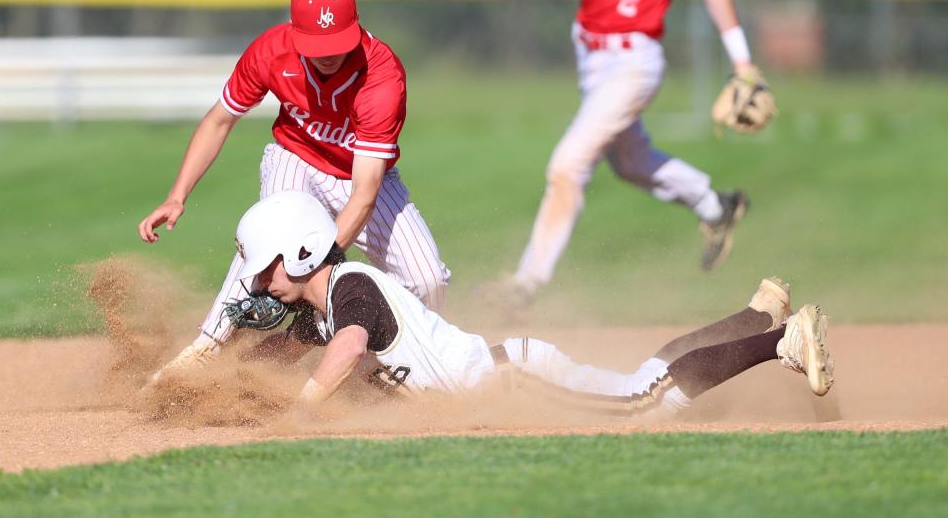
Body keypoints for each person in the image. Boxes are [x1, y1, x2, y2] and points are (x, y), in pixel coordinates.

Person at [184, 190, 834, 417]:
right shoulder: (323, 308)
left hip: (515, 380)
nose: (258, 281)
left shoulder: (353, 288)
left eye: (264, 264)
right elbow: (282, 351)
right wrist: (220, 387)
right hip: (510, 373)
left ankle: (780, 343)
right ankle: (758, 314)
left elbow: (349, 346)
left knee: (649, 403)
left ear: (299, 253)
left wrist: (297, 413)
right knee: (642, 378)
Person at [484, 0, 768, 311]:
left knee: (568, 165)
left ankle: (527, 281)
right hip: (590, 58)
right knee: (631, 161)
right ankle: (715, 205)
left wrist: (743, 63)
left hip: (637, 59)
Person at [138, 0, 451, 379]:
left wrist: (308, 276)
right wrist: (177, 195)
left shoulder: (381, 78)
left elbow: (364, 195)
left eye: (337, 43)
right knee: (270, 243)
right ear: (295, 33)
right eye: (317, 46)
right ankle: (207, 349)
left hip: (361, 179)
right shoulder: (272, 51)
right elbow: (219, 120)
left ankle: (374, 361)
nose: (327, 56)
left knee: (427, 278)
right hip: (295, 159)